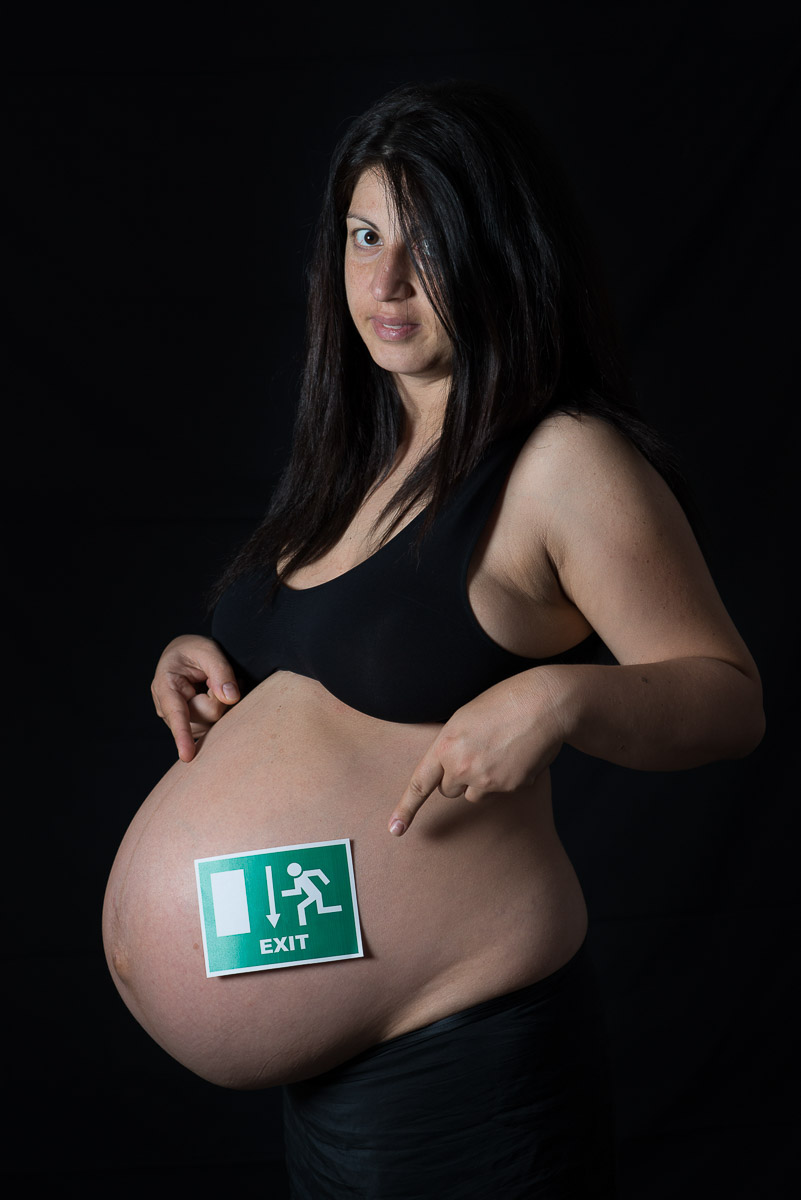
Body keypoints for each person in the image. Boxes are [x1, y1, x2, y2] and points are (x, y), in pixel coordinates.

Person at [103, 80, 764, 1197]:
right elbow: (329, 680)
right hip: (330, 1091)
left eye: (429, 245)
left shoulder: (562, 462)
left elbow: (728, 698)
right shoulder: (355, 458)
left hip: (463, 1069)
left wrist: (562, 699)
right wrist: (206, 664)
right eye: (364, 237)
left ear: (502, 252)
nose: (386, 282)